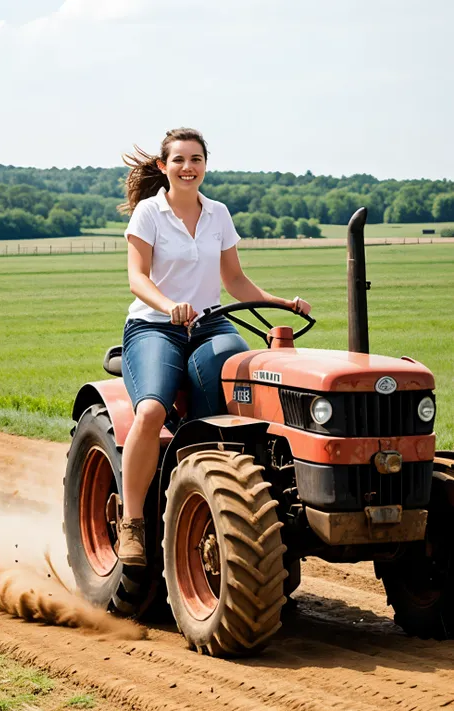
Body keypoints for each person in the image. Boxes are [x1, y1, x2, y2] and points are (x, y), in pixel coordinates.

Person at [117, 127, 311, 565]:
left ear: (206, 165)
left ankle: (227, 500)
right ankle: (132, 523)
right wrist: (170, 307)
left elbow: (235, 280)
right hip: (155, 326)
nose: (188, 168)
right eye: (180, 160)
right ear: (164, 167)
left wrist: (281, 302)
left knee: (239, 387)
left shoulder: (218, 214)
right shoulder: (149, 213)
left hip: (208, 324)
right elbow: (137, 278)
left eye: (196, 160)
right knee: (150, 410)